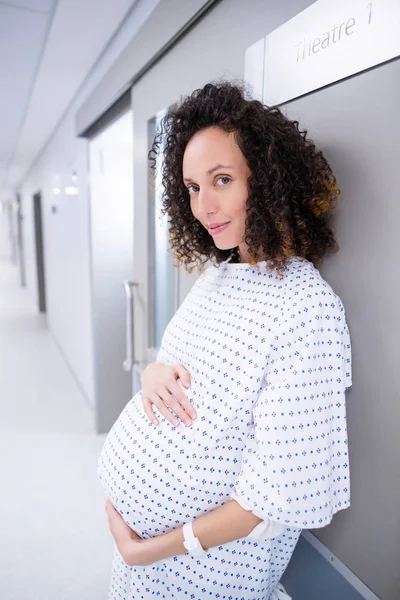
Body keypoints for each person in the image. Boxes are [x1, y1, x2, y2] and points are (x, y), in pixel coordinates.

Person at [98, 81, 352, 600]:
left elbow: (273, 499)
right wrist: (151, 374)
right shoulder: (220, 275)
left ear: (268, 180)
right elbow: (170, 366)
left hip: (204, 575)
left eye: (221, 180)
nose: (204, 206)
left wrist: (149, 549)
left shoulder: (306, 310)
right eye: (192, 187)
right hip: (145, 569)